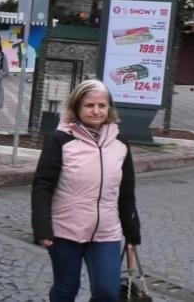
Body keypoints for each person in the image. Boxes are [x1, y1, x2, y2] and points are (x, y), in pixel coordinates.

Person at [31, 79, 141, 301]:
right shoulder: (59, 140)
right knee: (66, 288)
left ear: (109, 108)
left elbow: (126, 191)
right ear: (76, 107)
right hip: (65, 230)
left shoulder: (120, 143)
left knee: (108, 292)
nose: (96, 111)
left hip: (105, 231)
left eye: (102, 105)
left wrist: (131, 232)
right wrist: (42, 227)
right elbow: (42, 186)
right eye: (89, 105)